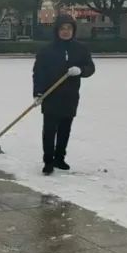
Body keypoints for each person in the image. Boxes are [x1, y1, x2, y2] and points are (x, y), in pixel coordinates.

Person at [32, 15, 95, 176]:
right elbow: (38, 72)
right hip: (50, 94)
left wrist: (81, 70)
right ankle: (48, 161)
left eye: (69, 29)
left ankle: (60, 158)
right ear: (57, 31)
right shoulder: (47, 51)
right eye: (62, 28)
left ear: (73, 30)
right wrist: (38, 93)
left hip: (70, 95)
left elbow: (90, 67)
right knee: (49, 130)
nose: (66, 32)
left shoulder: (81, 49)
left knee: (65, 129)